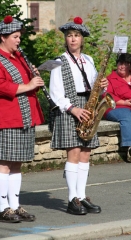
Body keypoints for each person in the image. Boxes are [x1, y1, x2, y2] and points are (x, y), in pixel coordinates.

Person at [0, 15, 44, 223]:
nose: (18, 40)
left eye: (19, 37)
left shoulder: (18, 58)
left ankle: (15, 206)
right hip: (6, 118)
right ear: (3, 37)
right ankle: (3, 208)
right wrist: (28, 85)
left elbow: (24, 82)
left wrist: (33, 77)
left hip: (22, 117)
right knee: (4, 165)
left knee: (17, 164)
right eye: (15, 37)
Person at [49, 16, 108, 215]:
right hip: (70, 108)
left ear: (82, 39)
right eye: (69, 36)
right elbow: (56, 93)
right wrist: (73, 109)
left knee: (85, 153)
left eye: (76, 36)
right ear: (65, 39)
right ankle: (72, 199)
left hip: (88, 106)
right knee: (73, 153)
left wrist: (101, 88)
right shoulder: (59, 61)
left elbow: (93, 88)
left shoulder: (89, 60)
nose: (73, 39)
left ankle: (81, 196)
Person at [103, 53, 131, 162]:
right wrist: (124, 102)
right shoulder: (110, 78)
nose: (122, 66)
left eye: (126, 64)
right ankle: (130, 148)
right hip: (115, 107)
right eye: (120, 63)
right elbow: (107, 95)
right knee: (127, 116)